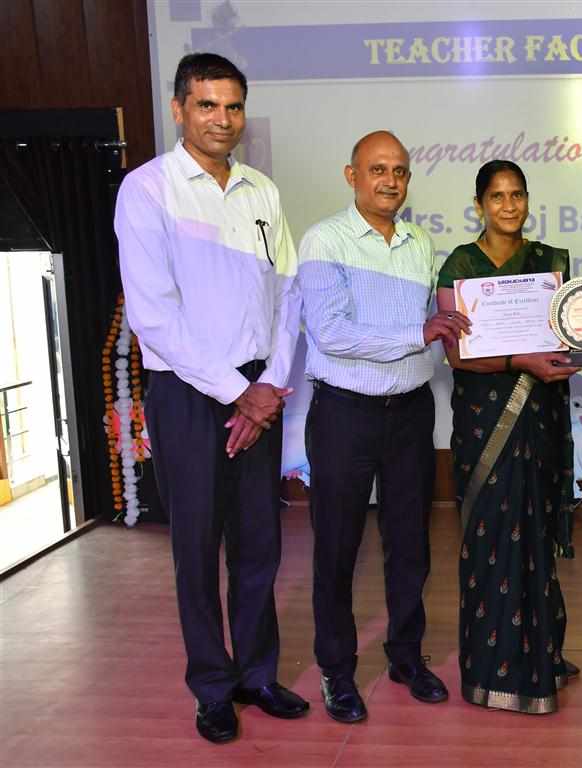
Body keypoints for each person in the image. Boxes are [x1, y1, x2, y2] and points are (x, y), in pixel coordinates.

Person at [114, 52, 307, 743]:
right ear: (178, 109)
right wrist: (239, 394)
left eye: (232, 106)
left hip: (257, 386)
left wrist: (268, 385)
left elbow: (288, 293)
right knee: (196, 549)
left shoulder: (262, 191)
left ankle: (257, 675)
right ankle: (212, 687)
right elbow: (154, 317)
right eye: (206, 105)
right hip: (188, 394)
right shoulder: (148, 190)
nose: (222, 119)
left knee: (259, 543)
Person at [297, 130, 469, 722]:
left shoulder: (421, 243)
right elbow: (331, 333)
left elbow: (435, 326)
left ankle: (405, 656)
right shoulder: (324, 240)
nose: (390, 180)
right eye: (377, 169)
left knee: (411, 545)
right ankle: (336, 670)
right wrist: (418, 334)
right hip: (344, 414)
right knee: (337, 547)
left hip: (410, 413)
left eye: (399, 171)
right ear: (352, 176)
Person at [436, 160, 581, 714]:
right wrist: (521, 361)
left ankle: (541, 660)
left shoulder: (548, 264)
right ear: (479, 205)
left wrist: (580, 336)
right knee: (489, 538)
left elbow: (565, 334)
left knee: (535, 534)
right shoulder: (460, 265)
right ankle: (488, 670)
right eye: (497, 197)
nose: (509, 206)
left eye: (517, 195)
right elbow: (457, 354)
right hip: (484, 423)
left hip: (537, 419)